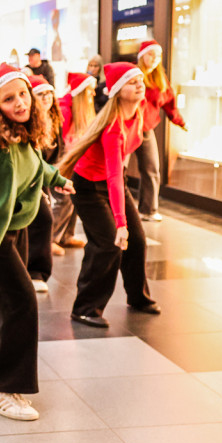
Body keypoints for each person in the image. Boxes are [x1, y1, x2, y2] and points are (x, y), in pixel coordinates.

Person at [0, 64, 73, 421]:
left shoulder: (20, 137)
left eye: (23, 94)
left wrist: (56, 179)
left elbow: (36, 166)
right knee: (21, 303)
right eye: (9, 99)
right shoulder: (3, 155)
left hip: (13, 230)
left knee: (2, 300)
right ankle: (0, 389)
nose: (20, 102)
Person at [58, 62, 160, 328]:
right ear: (117, 91)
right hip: (88, 186)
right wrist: (120, 224)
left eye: (140, 80)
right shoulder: (113, 127)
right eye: (131, 82)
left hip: (113, 181)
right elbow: (113, 175)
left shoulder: (138, 114)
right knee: (107, 243)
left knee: (137, 240)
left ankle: (138, 297)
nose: (139, 85)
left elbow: (117, 176)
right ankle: (85, 308)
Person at [135, 40, 186, 222]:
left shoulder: (160, 79)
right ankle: (114, 209)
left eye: (157, 56)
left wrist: (179, 121)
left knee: (151, 169)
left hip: (146, 129)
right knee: (118, 169)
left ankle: (148, 209)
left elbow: (169, 102)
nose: (154, 59)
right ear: (142, 55)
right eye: (151, 54)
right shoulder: (133, 74)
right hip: (127, 127)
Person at [52, 73, 97, 252]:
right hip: (62, 161)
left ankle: (66, 235)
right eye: (90, 90)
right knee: (63, 200)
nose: (93, 94)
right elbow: (58, 143)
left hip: (74, 160)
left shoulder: (81, 112)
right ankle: (50, 239)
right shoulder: (65, 110)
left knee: (74, 198)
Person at [25, 76, 61, 292]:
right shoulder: (29, 123)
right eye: (41, 94)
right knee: (42, 218)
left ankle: (34, 271)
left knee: (42, 218)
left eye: (49, 93)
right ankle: (34, 271)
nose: (47, 97)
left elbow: (51, 159)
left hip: (43, 175)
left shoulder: (55, 121)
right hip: (27, 178)